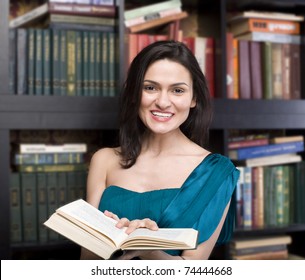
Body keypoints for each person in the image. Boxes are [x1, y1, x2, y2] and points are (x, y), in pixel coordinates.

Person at [80, 40, 240, 260]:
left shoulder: (217, 172)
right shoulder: (104, 160)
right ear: (135, 93)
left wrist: (149, 250)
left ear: (194, 98)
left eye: (177, 90)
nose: (163, 102)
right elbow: (87, 262)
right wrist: (111, 238)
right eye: (150, 88)